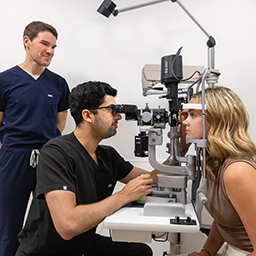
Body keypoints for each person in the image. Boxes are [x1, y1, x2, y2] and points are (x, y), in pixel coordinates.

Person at [15, 81, 158, 256]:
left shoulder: (108, 156)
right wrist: (125, 195)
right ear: (88, 115)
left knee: (140, 252)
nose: (118, 116)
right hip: (48, 251)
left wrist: (180, 147)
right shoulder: (56, 153)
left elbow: (152, 178)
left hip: (82, 244)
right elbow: (68, 225)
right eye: (111, 110)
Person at [0, 21, 70, 256]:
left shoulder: (58, 83)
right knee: (9, 225)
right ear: (27, 42)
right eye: (45, 43)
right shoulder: (5, 81)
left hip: (48, 158)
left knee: (50, 225)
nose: (50, 50)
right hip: (13, 159)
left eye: (54, 46)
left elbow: (60, 123)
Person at [183, 86, 256, 256]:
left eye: (193, 115)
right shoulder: (213, 161)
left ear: (216, 120)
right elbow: (225, 219)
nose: (185, 121)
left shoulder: (237, 171)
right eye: (186, 115)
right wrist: (207, 252)